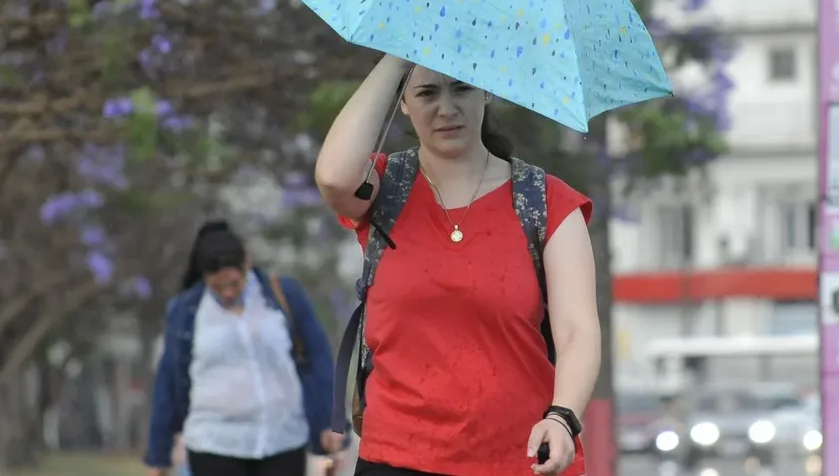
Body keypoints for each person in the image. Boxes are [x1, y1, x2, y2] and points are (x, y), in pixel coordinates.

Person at [315, 55, 601, 476]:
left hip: (520, 457)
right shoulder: (384, 187)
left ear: (486, 91)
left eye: (462, 88)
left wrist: (563, 416)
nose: (446, 108)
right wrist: (397, 55)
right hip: (396, 455)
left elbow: (577, 330)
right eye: (427, 93)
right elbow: (334, 178)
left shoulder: (546, 201)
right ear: (404, 102)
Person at [144, 220, 343, 476]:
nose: (227, 293)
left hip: (283, 440)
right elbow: (167, 382)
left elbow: (318, 359)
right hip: (213, 444)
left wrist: (331, 422)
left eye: (234, 284)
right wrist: (158, 455)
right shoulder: (185, 311)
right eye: (218, 287)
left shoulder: (283, 294)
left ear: (246, 263)